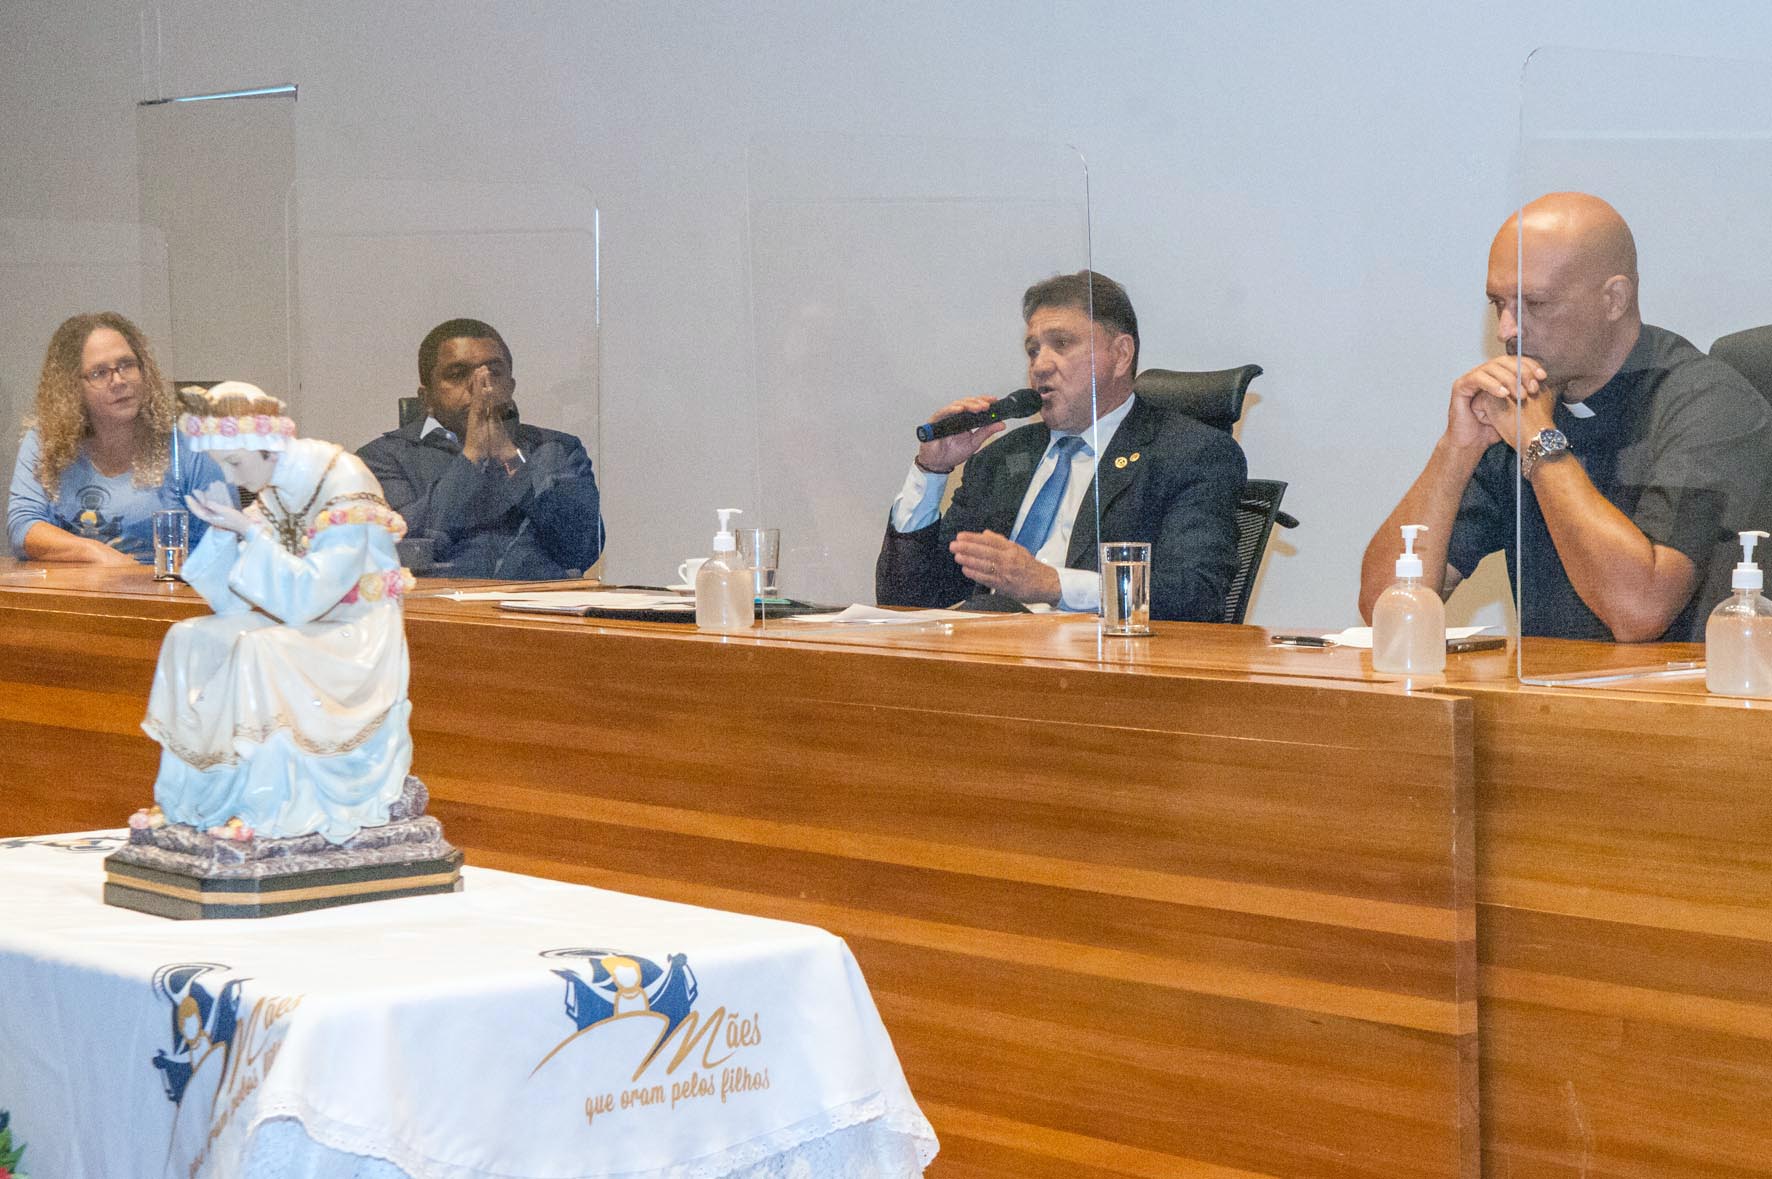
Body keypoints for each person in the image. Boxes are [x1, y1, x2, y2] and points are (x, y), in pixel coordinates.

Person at [1358, 192, 1772, 643]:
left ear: (1614, 299)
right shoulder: (1515, 408)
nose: (1507, 330)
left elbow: (1638, 611)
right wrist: (1456, 449)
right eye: (1498, 304)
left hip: (1691, 686)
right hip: (1550, 686)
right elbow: (1385, 606)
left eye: (1535, 304)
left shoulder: (1706, 403)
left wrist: (1540, 439)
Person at [875, 271, 1246, 621]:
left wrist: (1053, 584)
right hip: (986, 653)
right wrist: (931, 471)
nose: (1040, 365)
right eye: (1033, 350)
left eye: (1062, 344)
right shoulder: (1001, 459)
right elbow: (906, 600)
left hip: (1092, 661)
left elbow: (1195, 595)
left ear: (1120, 354)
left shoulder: (1190, 456)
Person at [142, 383, 413, 844]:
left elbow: (311, 597)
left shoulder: (342, 479)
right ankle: (190, 797)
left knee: (259, 649)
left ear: (266, 447)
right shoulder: (274, 489)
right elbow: (233, 603)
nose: (231, 475)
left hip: (357, 629)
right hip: (302, 621)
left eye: (234, 462)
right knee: (189, 637)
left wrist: (247, 531)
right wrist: (224, 531)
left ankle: (266, 805)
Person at [356, 318, 604, 579]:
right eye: (457, 374)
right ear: (426, 397)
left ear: (511, 385)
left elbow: (583, 549)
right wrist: (472, 457)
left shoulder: (558, 449)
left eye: (494, 372)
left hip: (541, 601)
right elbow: (403, 550)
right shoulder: (382, 458)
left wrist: (509, 456)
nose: (481, 387)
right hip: (439, 602)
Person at [7, 312, 229, 564]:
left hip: (169, 584)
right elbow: (23, 527)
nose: (119, 380)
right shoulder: (45, 441)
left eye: (127, 365)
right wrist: (96, 554)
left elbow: (225, 541)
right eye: (99, 373)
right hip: (76, 587)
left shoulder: (188, 444)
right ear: (71, 387)